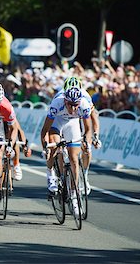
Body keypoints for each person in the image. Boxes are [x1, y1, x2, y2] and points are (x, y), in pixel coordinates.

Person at [40, 86, 92, 215]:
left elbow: (88, 129)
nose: (73, 108)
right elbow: (44, 130)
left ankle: (74, 196)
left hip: (73, 123)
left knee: (74, 158)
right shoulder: (57, 104)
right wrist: (45, 146)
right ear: (65, 101)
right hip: (57, 122)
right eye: (70, 105)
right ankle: (50, 173)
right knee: (54, 147)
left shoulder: (84, 105)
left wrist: (87, 143)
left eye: (76, 105)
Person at [61, 76, 102, 194]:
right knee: (61, 147)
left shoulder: (85, 98)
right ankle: (61, 176)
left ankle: (84, 174)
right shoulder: (61, 96)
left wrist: (95, 135)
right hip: (65, 119)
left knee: (87, 148)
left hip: (81, 118)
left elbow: (94, 117)